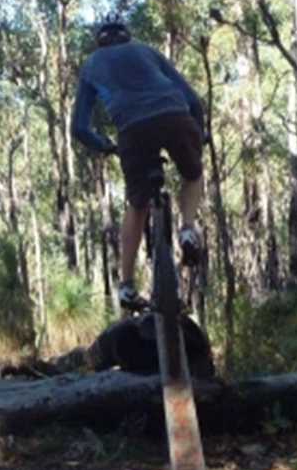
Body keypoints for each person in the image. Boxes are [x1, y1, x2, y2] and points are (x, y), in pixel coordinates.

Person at [71, 17, 205, 310]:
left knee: (137, 204)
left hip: (132, 130)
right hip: (174, 115)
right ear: (126, 36)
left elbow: (79, 128)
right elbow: (193, 100)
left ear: (100, 41)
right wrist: (200, 135)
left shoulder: (92, 64)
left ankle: (127, 286)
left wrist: (105, 146)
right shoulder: (146, 51)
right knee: (193, 174)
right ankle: (187, 228)